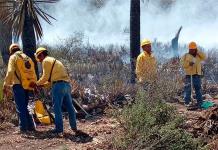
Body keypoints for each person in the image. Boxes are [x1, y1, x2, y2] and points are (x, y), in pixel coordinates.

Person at [32, 47, 77, 134]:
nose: (39, 61)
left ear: (41, 55)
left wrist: (36, 84)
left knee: (57, 108)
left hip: (58, 86)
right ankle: (74, 127)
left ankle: (59, 129)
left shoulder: (45, 61)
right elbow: (51, 81)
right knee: (70, 107)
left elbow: (45, 77)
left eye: (39, 58)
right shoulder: (55, 61)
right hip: (66, 85)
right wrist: (42, 85)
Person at [3, 43, 36, 133]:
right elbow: (33, 73)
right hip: (29, 86)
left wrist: (5, 84)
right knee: (28, 107)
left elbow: (10, 71)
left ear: (11, 51)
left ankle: (23, 128)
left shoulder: (13, 57)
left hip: (18, 85)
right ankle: (31, 127)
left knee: (20, 107)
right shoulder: (28, 58)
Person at [181, 42, 206, 108]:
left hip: (197, 76)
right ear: (189, 49)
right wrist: (189, 64)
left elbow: (204, 57)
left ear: (195, 49)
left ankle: (200, 103)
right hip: (189, 76)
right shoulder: (186, 56)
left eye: (193, 49)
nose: (192, 51)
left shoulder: (198, 56)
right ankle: (187, 103)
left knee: (198, 90)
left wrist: (198, 51)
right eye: (191, 49)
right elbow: (182, 64)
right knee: (188, 90)